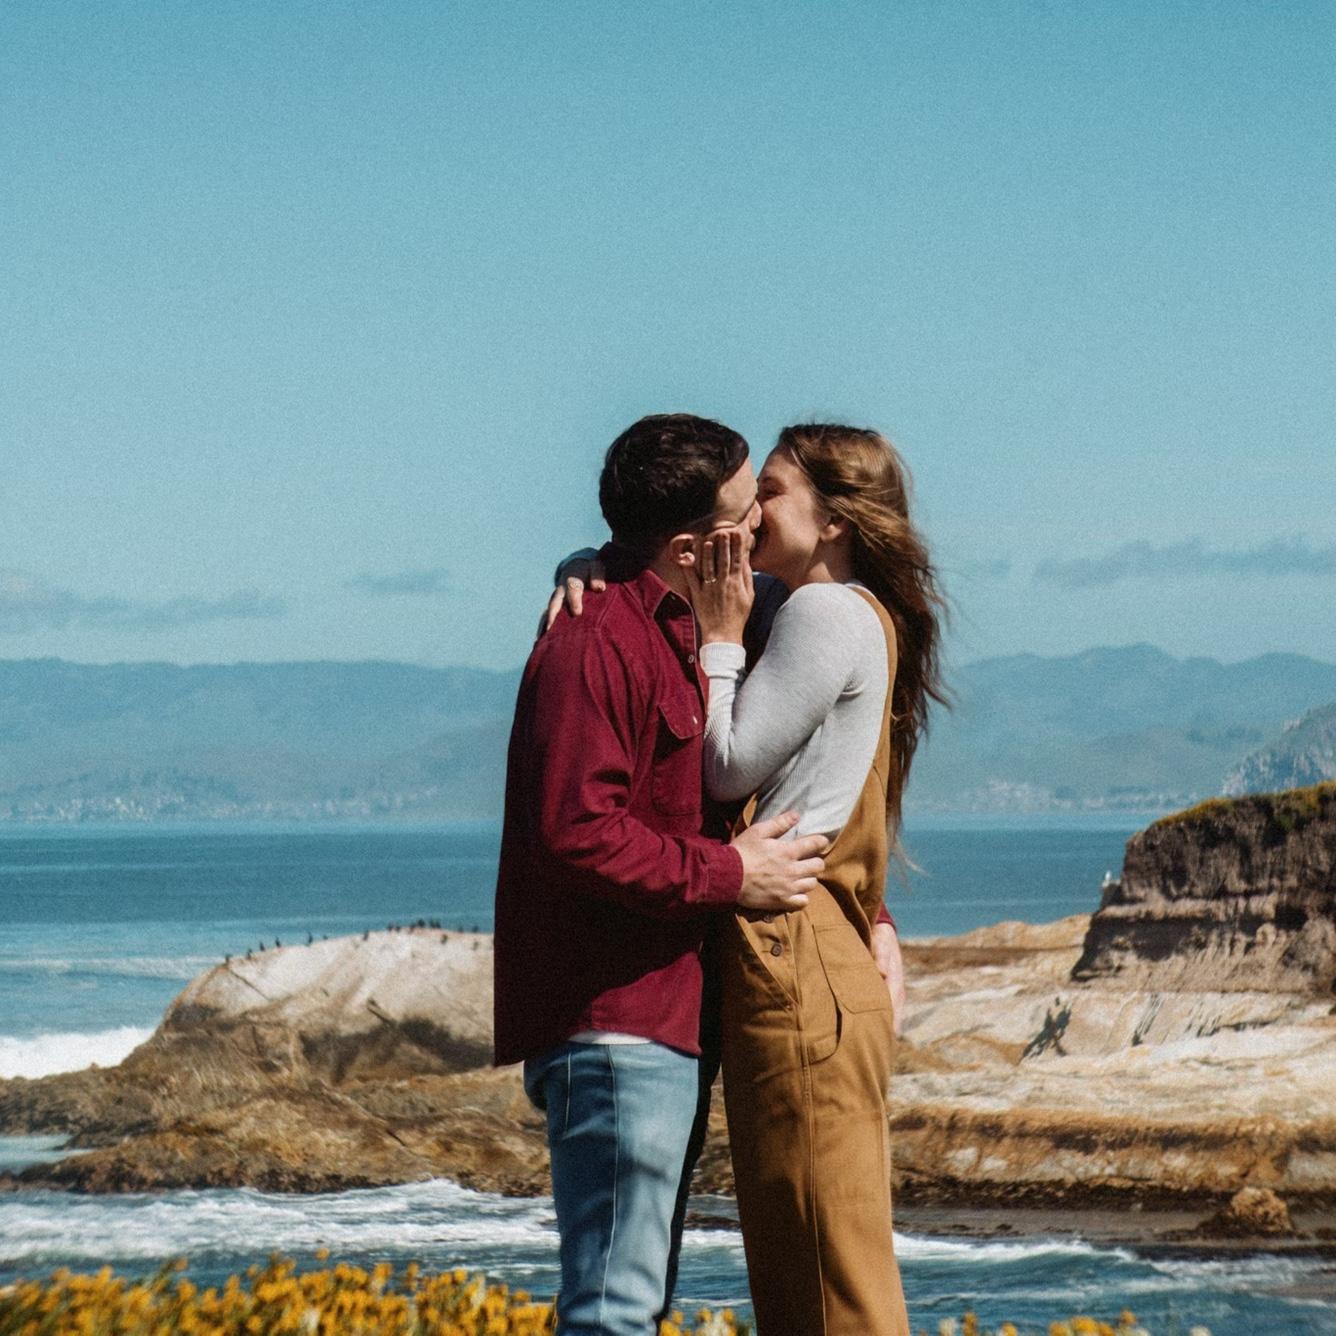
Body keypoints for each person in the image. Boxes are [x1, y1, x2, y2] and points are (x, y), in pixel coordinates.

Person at [493, 413, 831, 1336]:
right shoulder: (595, 640)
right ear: (693, 546)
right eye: (744, 513)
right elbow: (574, 831)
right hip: (615, 1026)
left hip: (665, 1018)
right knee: (614, 1310)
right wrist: (729, 875)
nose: (760, 526)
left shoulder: (699, 622)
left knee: (634, 1299)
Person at [689, 423, 947, 1336]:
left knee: (822, 1283)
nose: (751, 509)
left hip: (792, 951)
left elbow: (726, 766)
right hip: (823, 949)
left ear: (834, 519)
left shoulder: (824, 612)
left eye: (774, 491)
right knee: (825, 1264)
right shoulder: (844, 610)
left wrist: (720, 645)